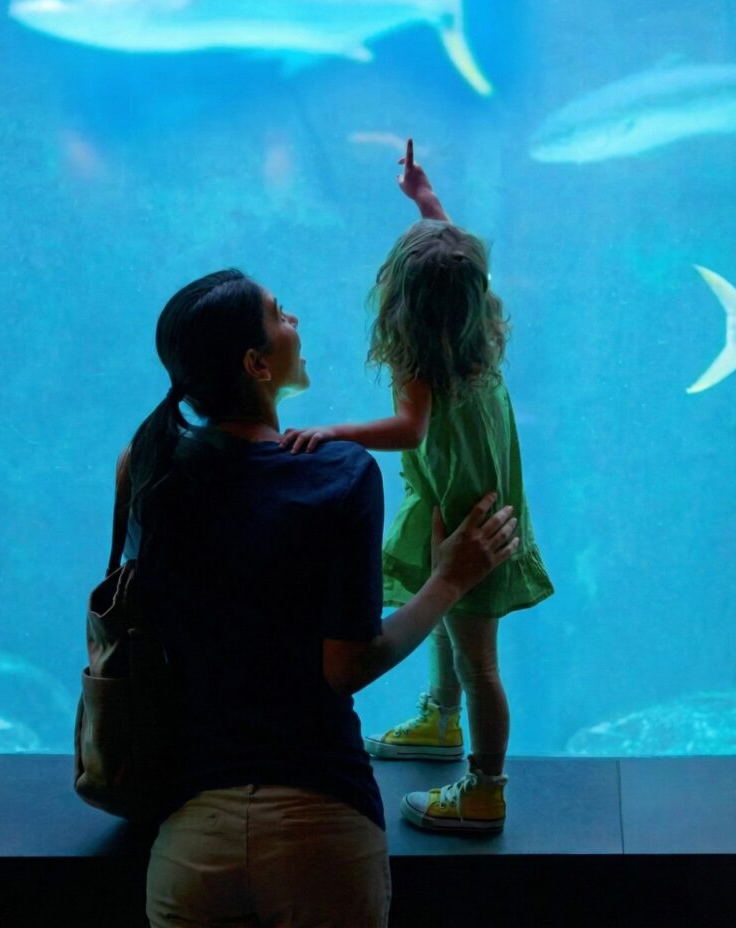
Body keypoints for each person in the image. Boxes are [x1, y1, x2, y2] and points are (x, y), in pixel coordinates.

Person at [120, 268, 519, 927]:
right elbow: (347, 667)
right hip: (319, 827)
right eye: (279, 315)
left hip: (188, 835)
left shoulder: (145, 464)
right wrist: (450, 578)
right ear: (255, 364)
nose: (294, 322)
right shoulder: (337, 475)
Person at [281, 139, 554, 834]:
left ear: (401, 304)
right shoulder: (479, 321)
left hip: (471, 521)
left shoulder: (420, 362)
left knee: (478, 660)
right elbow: (455, 261)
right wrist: (425, 200)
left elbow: (407, 431)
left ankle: (486, 787)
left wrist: (335, 431)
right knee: (444, 618)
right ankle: (439, 718)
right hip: (468, 496)